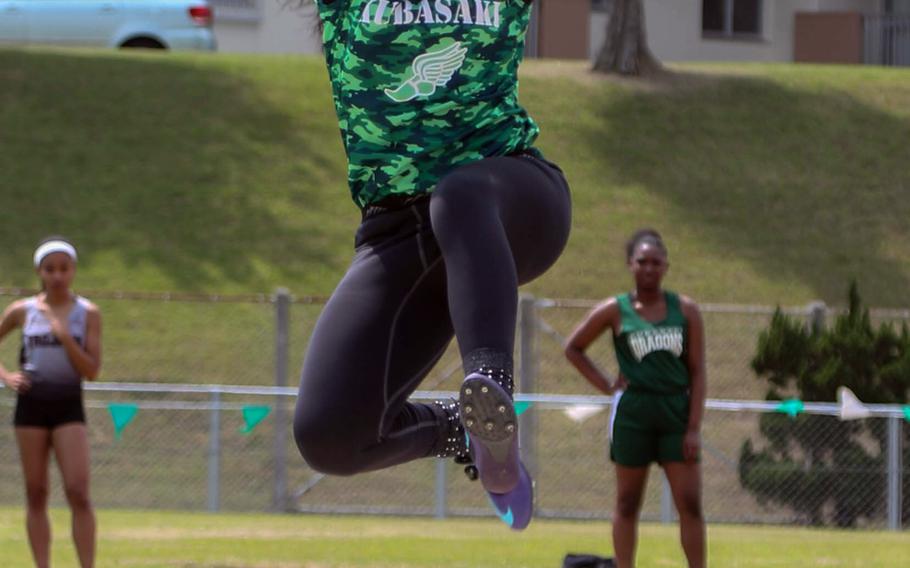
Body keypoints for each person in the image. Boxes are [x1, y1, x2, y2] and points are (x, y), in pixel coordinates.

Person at [293, 0, 572, 530]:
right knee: (328, 436)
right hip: (399, 236)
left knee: (457, 196)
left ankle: (491, 389)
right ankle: (464, 432)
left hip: (510, 199)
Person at [564, 229, 706, 567]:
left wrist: (694, 428)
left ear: (666, 266)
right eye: (642, 261)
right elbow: (573, 347)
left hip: (675, 409)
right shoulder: (616, 309)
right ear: (631, 264)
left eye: (656, 262)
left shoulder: (685, 310)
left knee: (689, 503)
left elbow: (698, 371)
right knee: (627, 502)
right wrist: (607, 385)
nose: (649, 268)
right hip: (633, 412)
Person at [0, 237, 102, 568]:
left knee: (78, 492)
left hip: (68, 406)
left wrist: (62, 336)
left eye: (64, 268)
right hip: (31, 406)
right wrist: (5, 376)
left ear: (73, 271)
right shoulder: (22, 310)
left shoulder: (87, 313)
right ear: (40, 272)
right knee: (36, 492)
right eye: (50, 269)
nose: (57, 275)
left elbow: (92, 371)